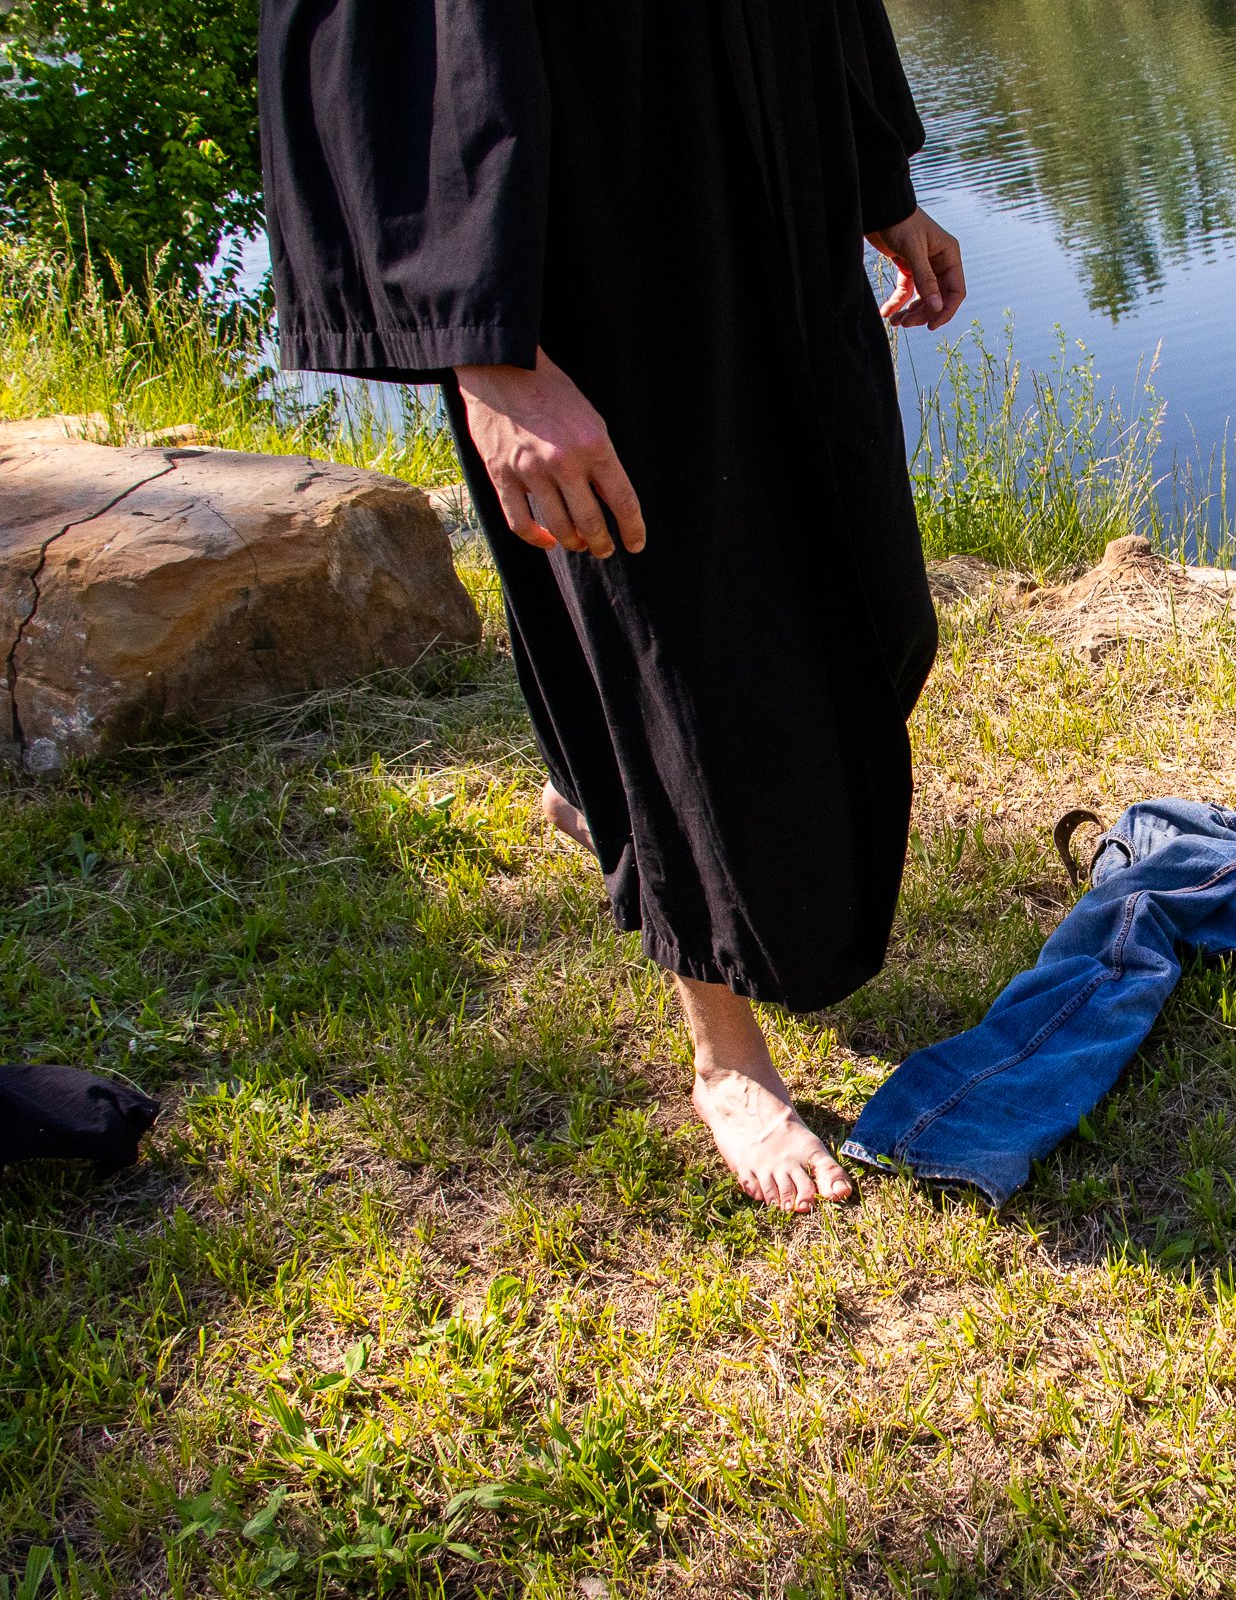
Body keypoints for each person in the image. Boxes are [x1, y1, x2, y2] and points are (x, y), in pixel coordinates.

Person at [257, 0, 965, 1214]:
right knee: (687, 659)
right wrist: (490, 348)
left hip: (781, 187)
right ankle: (726, 1056)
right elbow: (392, 32)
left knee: (880, 615)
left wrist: (876, 179)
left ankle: (597, 793)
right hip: (594, 227)